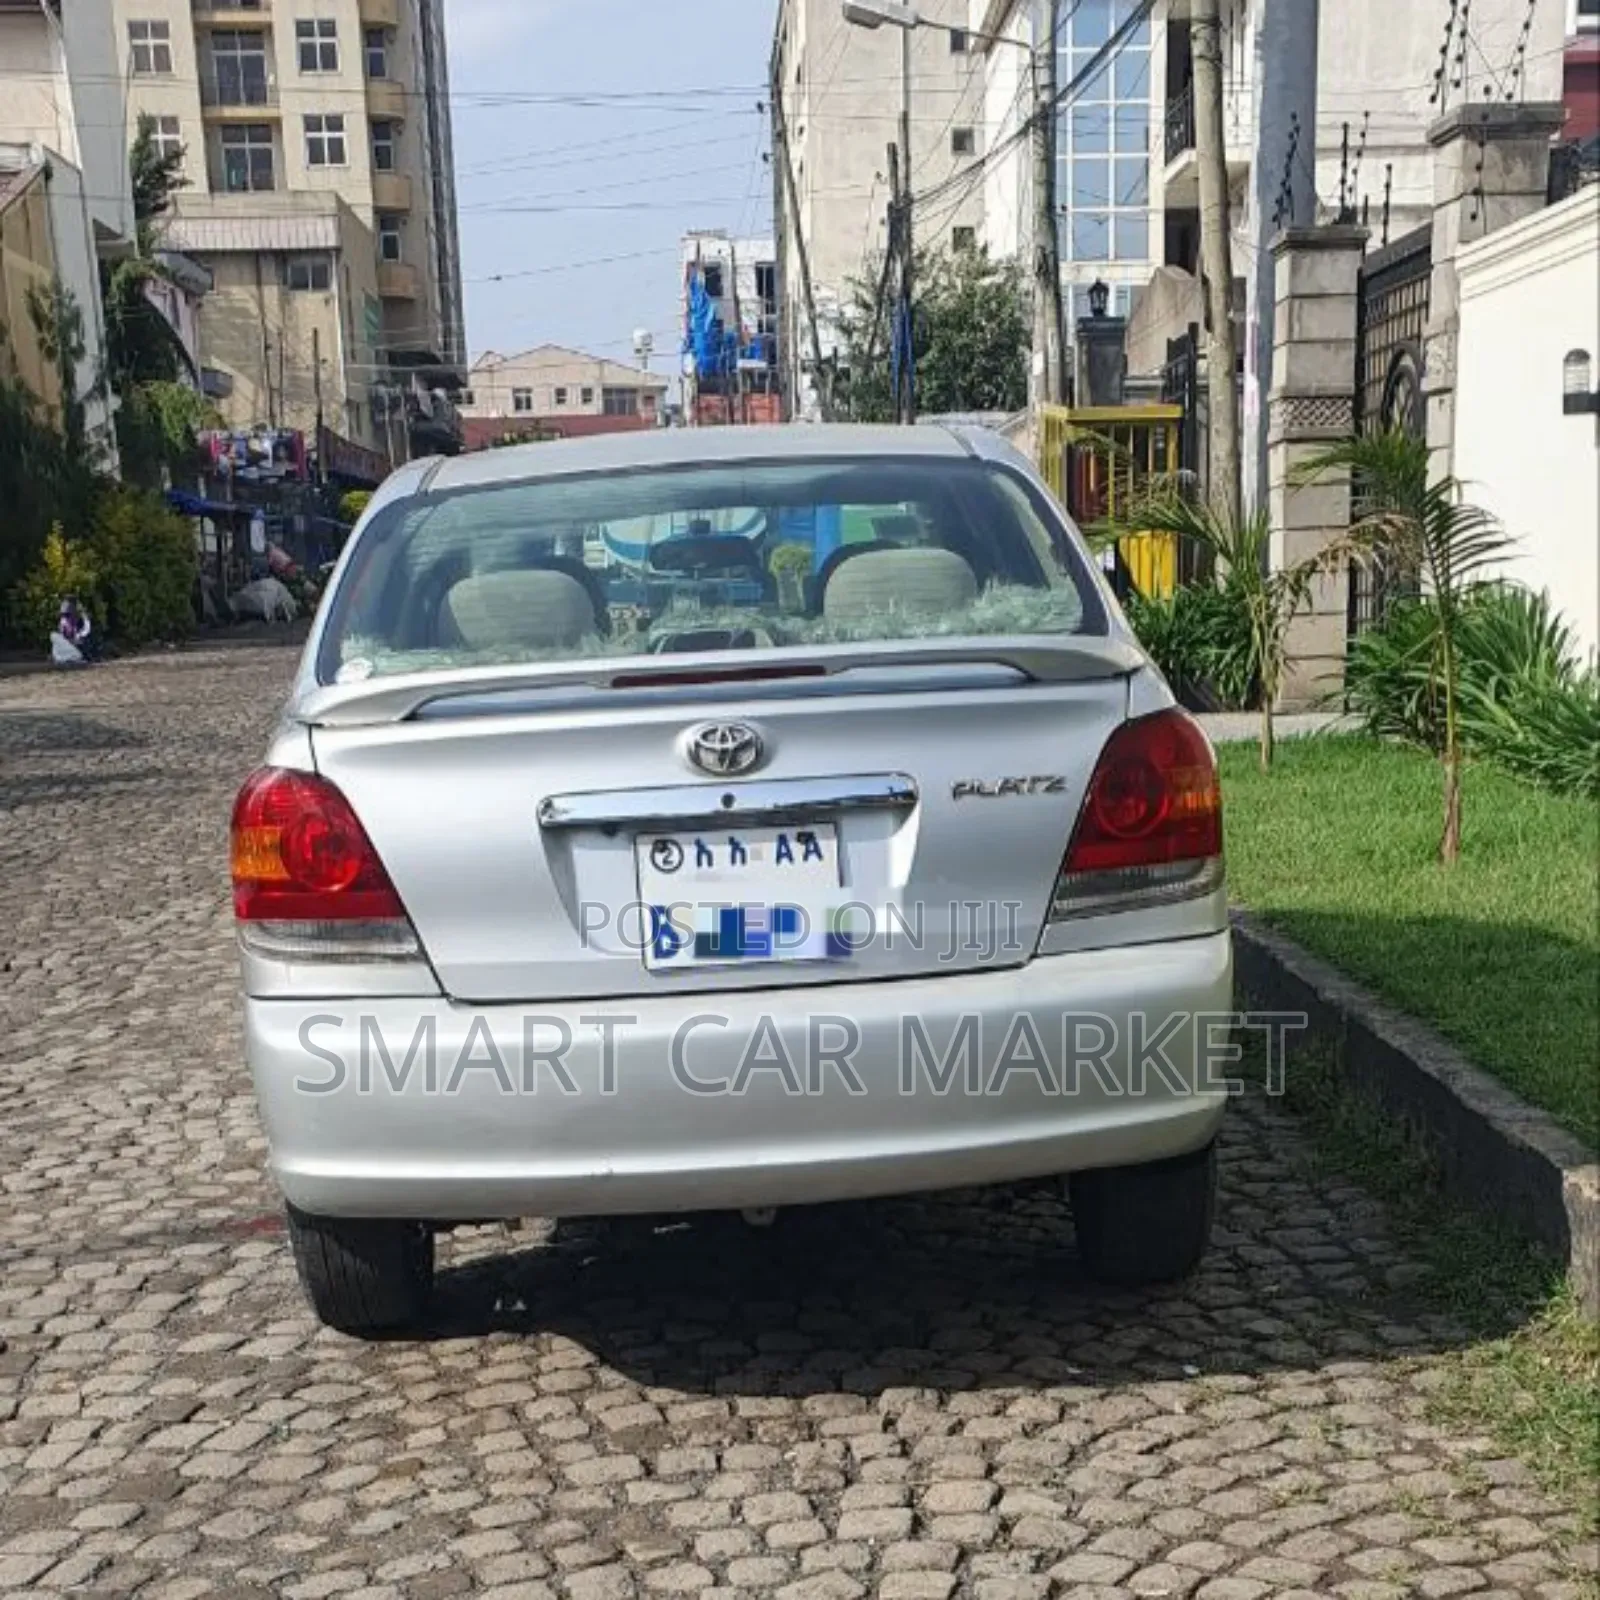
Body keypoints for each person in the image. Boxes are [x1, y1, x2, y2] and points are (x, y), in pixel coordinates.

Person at [50, 596, 100, 666]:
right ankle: (65, 658)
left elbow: (85, 632)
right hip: (69, 646)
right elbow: (63, 633)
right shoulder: (64, 620)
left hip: (77, 649)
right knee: (53, 635)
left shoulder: (83, 619)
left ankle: (73, 658)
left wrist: (77, 638)